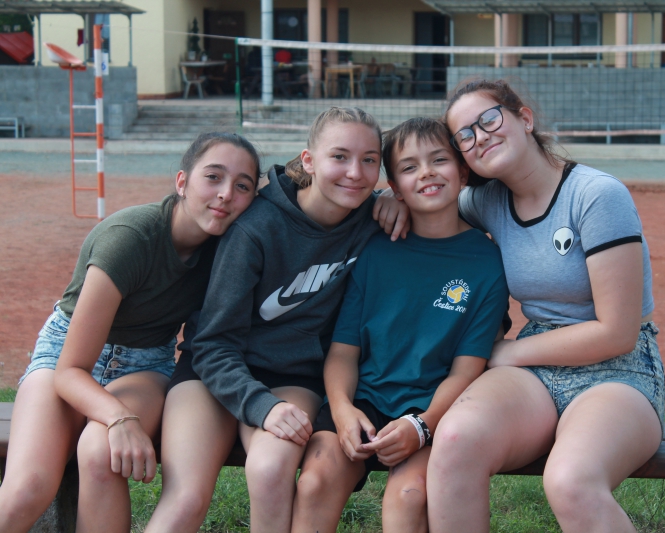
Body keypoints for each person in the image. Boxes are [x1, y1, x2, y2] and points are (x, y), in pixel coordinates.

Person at [145, 107, 410, 533]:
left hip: (291, 377)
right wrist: (259, 405)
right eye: (339, 157)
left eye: (369, 160)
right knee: (186, 499)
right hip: (213, 373)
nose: (355, 173)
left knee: (270, 469)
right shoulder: (256, 228)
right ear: (309, 160)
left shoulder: (369, 219)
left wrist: (393, 200)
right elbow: (212, 343)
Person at [427, 79, 665, 533]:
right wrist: (392, 201)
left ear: (524, 118)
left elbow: (618, 332)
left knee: (570, 481)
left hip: (619, 370)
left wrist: (507, 352)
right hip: (536, 366)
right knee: (455, 441)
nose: (480, 137)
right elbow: (429, 196)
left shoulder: (597, 194)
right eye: (465, 136)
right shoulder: (486, 201)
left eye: (489, 119)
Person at [0, 132, 261, 533]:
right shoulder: (130, 236)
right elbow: (71, 369)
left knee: (101, 454)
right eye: (213, 177)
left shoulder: (231, 248)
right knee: (27, 489)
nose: (226, 194)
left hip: (144, 362)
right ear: (182, 182)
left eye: (242, 186)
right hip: (66, 355)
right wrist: (119, 417)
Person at [291, 117, 509, 533]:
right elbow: (343, 352)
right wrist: (342, 410)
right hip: (364, 401)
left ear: (463, 172)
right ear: (393, 186)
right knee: (315, 482)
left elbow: (466, 370)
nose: (426, 173)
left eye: (439, 160)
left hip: (434, 408)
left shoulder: (487, 264)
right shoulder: (374, 249)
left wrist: (423, 425)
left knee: (408, 498)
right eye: (409, 167)